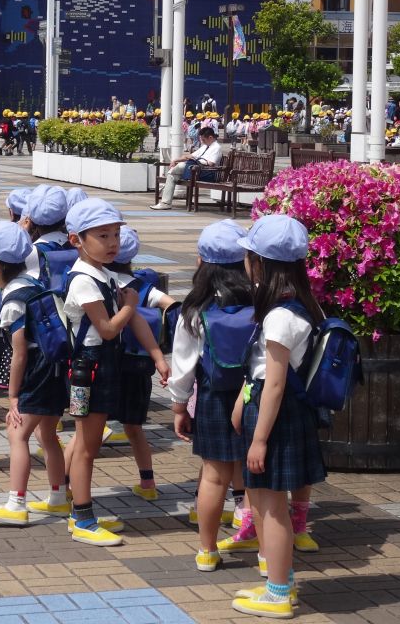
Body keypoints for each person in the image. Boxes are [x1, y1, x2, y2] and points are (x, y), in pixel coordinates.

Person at [229, 214, 326, 618]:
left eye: (250, 258)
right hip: (286, 416)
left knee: (272, 508)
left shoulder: (278, 317)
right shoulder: (303, 305)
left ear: (260, 264)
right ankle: (276, 584)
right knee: (272, 505)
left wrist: (259, 438)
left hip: (277, 419)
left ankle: (279, 592)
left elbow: (274, 383)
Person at [63, 198, 169, 546]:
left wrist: (156, 355)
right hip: (89, 367)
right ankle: (82, 517)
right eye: (102, 236)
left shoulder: (105, 275)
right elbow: (108, 327)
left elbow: (131, 320)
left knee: (87, 443)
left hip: (105, 364)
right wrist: (131, 304)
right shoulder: (83, 280)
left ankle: (79, 508)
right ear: (76, 240)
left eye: (115, 235)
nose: (112, 243)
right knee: (87, 447)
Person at [168, 220, 253, 572]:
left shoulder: (195, 307)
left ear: (202, 261)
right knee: (257, 479)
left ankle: (207, 550)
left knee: (214, 476)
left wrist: (178, 405)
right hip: (253, 396)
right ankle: (266, 555)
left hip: (215, 398)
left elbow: (183, 364)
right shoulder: (260, 300)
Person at [0, 221, 67, 525]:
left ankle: (16, 504)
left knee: (17, 433)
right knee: (48, 434)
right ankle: (58, 497)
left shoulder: (12, 300)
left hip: (36, 371)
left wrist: (13, 397)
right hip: (56, 366)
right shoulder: (35, 284)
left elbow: (19, 353)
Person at [107, 226, 173, 502]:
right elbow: (172, 304)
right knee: (134, 427)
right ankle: (148, 483)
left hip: (110, 363)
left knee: (92, 427)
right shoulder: (143, 286)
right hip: (139, 367)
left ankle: (65, 484)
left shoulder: (105, 282)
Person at [151, 127, 222, 210]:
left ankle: (165, 203)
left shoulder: (216, 147)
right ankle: (165, 203)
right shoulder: (205, 146)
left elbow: (210, 163)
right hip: (193, 170)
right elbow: (190, 156)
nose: (202, 142)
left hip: (205, 172)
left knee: (178, 168)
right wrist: (175, 160)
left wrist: (196, 160)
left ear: (210, 137)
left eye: (204, 140)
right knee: (172, 175)